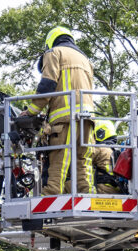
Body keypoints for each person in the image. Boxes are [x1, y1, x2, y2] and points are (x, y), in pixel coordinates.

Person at [22, 26, 95, 195]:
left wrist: (31, 111)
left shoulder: (54, 53)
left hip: (65, 119)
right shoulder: (85, 59)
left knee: (59, 161)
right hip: (87, 120)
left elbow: (47, 84)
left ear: (50, 41)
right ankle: (87, 195)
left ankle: (50, 197)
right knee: (83, 161)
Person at [93, 120, 121, 194]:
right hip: (115, 189)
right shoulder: (116, 149)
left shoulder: (99, 149)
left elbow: (81, 159)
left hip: (102, 190)